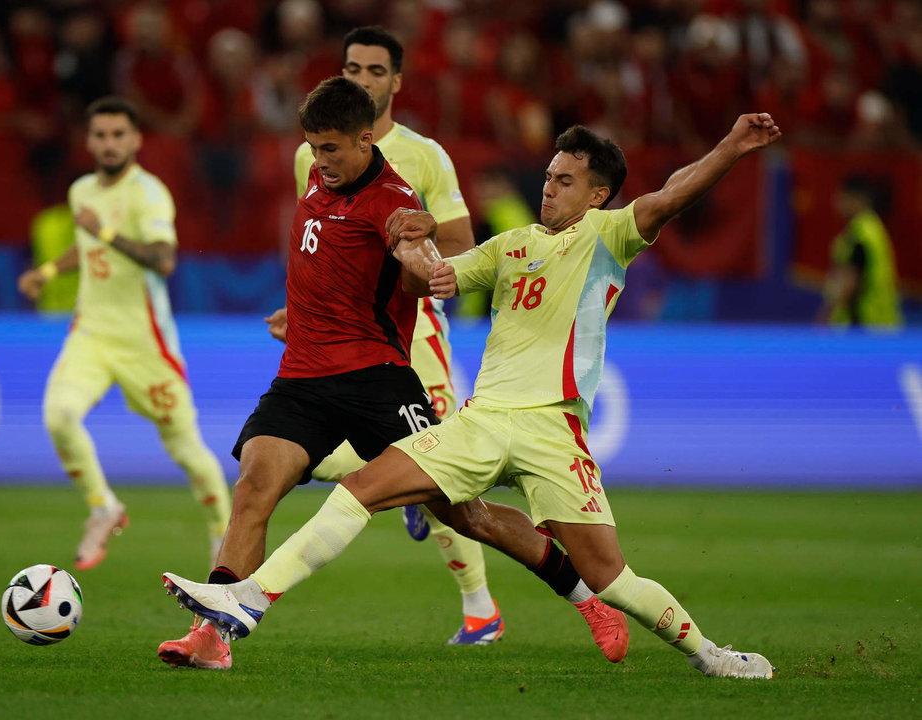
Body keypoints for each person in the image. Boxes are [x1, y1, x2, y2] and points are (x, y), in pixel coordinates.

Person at [162, 113, 784, 679]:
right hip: (481, 422)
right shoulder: (510, 246)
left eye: (565, 181)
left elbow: (672, 193)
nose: (549, 188)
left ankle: (711, 655)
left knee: (611, 577)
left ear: (597, 195)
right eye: (548, 176)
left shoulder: (609, 236)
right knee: (361, 490)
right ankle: (246, 600)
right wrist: (418, 238)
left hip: (553, 429)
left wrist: (730, 144)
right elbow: (435, 278)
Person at [157, 76, 624, 671]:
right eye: (313, 147)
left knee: (466, 514)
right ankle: (209, 638)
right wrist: (301, 312)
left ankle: (587, 598)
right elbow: (327, 260)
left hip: (376, 381)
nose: (319, 161)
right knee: (252, 489)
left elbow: (414, 270)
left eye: (331, 148)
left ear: (365, 138)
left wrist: (421, 251)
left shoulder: (394, 203)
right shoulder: (318, 173)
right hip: (300, 377)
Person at [273, 26, 623, 650]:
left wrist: (410, 248)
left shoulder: (425, 156)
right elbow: (320, 243)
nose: (362, 79)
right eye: (352, 67)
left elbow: (460, 250)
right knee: (309, 466)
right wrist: (304, 308)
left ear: (397, 82)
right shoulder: (313, 153)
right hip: (339, 345)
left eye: (375, 71)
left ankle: (481, 607)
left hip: (412, 342)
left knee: (454, 500)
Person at [17, 96, 231, 572]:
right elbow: (86, 241)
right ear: (89, 141)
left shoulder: (149, 194)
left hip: (144, 343)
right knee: (59, 415)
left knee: (188, 452)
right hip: (91, 332)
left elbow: (164, 259)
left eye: (118, 135)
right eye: (100, 135)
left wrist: (109, 234)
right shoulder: (81, 192)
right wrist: (49, 270)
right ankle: (103, 506)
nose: (109, 144)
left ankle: (223, 532)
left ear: (135, 140)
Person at [818, 174, 903, 328]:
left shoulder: (862, 232)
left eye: (842, 197)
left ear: (857, 199)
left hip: (865, 325)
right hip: (880, 324)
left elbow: (850, 281)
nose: (837, 202)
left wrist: (825, 316)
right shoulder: (873, 228)